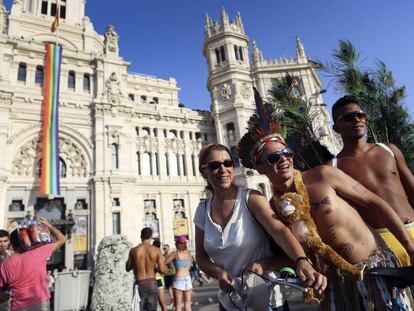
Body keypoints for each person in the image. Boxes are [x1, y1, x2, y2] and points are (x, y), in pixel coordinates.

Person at [238, 120, 414, 310]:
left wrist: (410, 247)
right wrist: (262, 264)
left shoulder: (323, 175)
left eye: (287, 153)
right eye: (274, 158)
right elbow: (299, 257)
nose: (284, 160)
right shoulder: (275, 209)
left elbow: (376, 203)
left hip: (377, 273)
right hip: (337, 289)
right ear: (260, 167)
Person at [194, 144, 327, 311]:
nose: (223, 169)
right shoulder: (202, 210)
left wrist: (302, 261)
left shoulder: (251, 199)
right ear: (204, 172)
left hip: (268, 301)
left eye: (228, 163)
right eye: (215, 165)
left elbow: (279, 231)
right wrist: (218, 273)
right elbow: (201, 257)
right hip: (230, 303)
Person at [329, 95, 414, 266]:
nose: (357, 120)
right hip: (382, 244)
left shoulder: (388, 150)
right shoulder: (334, 168)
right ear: (337, 128)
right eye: (349, 117)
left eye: (360, 115)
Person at [0, 217, 66, 311]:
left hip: (18, 306)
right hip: (40, 303)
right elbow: (62, 239)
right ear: (26, 241)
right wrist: (48, 225)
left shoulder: (5, 264)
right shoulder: (38, 252)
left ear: (12, 245)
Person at [126, 227, 167, 311]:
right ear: (151, 236)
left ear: (141, 236)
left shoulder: (134, 251)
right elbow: (163, 270)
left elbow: (127, 268)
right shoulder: (156, 250)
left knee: (138, 308)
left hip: (139, 283)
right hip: (152, 283)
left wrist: (136, 263)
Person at [165, 236, 193, 311]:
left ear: (177, 244)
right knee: (187, 304)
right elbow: (189, 266)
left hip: (178, 278)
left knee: (178, 305)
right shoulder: (189, 254)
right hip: (188, 278)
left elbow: (164, 262)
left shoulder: (175, 254)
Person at [152, 240, 168, 311]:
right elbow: (163, 268)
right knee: (161, 300)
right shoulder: (160, 254)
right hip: (158, 277)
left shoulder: (152, 253)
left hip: (153, 277)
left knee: (156, 300)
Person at [0, 230, 12, 311]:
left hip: (7, 298)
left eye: (5, 241)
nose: (2, 244)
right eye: (0, 241)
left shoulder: (11, 255)